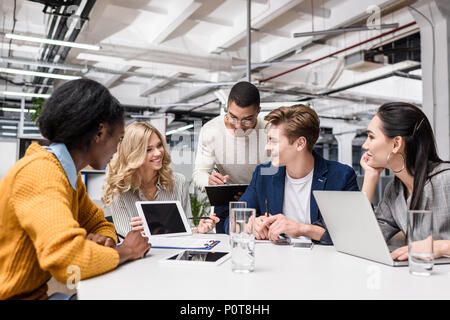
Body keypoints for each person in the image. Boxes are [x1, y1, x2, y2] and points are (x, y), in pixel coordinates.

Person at [0, 79, 150, 300]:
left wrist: (105, 242)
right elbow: (66, 260)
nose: (117, 150)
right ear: (99, 133)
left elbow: (99, 224)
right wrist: (127, 250)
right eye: (118, 140)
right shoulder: (41, 173)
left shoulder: (68, 176)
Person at [225, 104, 359, 244]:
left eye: (274, 141)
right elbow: (230, 221)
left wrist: (302, 229)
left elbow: (353, 233)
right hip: (278, 260)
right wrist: (249, 225)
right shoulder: (263, 175)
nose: (267, 147)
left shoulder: (341, 177)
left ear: (300, 143)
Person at [360, 102, 450, 261]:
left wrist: (440, 247)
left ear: (396, 144)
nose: (364, 145)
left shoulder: (445, 179)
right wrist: (370, 177)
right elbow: (363, 240)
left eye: (371, 137)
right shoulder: (394, 191)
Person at [102, 122, 219, 237]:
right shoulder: (119, 190)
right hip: (143, 255)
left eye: (159, 145)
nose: (158, 153)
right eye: (148, 149)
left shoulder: (178, 182)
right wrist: (137, 235)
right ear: (133, 154)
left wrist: (198, 230)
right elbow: (126, 240)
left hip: (176, 254)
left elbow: (186, 231)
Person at [192, 81, 270, 232]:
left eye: (247, 119)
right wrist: (208, 181)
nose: (238, 126)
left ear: (258, 111)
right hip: (228, 201)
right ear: (227, 107)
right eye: (233, 117)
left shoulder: (269, 130)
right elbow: (199, 173)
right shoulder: (211, 130)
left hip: (262, 200)